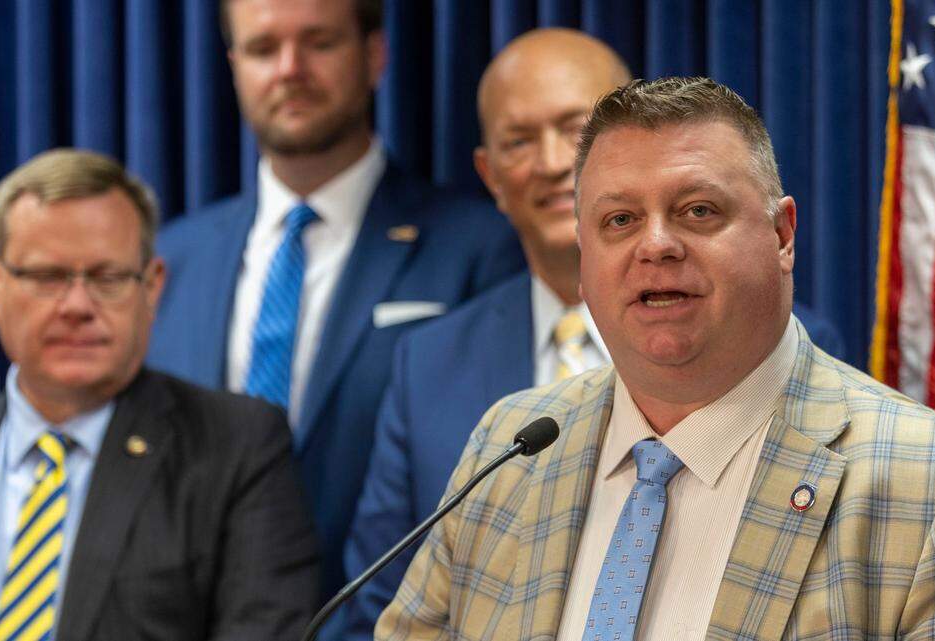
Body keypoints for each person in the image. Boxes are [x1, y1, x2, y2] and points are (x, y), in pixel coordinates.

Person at [375, 78, 935, 640]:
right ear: (584, 255)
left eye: (697, 211)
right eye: (619, 220)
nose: (656, 245)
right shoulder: (509, 447)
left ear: (782, 235)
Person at [340, 30, 851, 639]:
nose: (554, 162)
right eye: (520, 140)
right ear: (490, 173)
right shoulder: (440, 374)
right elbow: (380, 606)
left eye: (576, 132)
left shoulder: (776, 345)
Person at [146, 0, 524, 597]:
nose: (289, 69)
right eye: (263, 49)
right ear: (235, 66)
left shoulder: (478, 248)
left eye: (319, 42)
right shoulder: (172, 258)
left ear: (374, 55)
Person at [0, 149, 319, 641]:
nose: (77, 305)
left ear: (152, 287)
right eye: (48, 277)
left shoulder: (239, 449)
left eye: (108, 278)